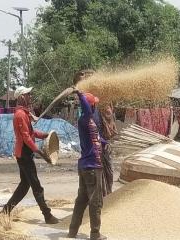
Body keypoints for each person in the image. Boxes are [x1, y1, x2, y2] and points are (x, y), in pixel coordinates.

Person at [1, 86, 59, 224]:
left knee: (24, 185)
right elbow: (26, 137)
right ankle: (47, 215)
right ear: (21, 97)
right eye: (28, 94)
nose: (30, 97)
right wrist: (38, 151)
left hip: (24, 153)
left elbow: (32, 133)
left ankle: (5, 211)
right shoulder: (20, 115)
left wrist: (45, 135)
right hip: (24, 154)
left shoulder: (24, 113)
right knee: (36, 185)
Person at [67, 87, 107, 240]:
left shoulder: (89, 121)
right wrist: (79, 93)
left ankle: (72, 231)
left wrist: (104, 142)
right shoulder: (85, 118)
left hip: (85, 166)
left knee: (81, 200)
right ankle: (95, 234)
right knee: (95, 202)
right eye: (94, 104)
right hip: (92, 167)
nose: (96, 106)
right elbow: (87, 108)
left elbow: (96, 137)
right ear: (91, 106)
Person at [73, 70, 116, 196]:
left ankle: (105, 196)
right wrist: (80, 93)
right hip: (93, 148)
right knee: (99, 174)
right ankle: (100, 199)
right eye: (83, 80)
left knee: (108, 172)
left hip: (100, 141)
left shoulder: (93, 101)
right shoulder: (85, 108)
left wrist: (103, 141)